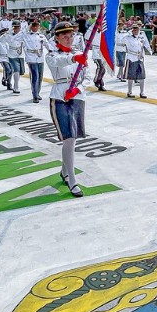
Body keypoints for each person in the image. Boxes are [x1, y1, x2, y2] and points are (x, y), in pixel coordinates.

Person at [46, 21, 88, 198]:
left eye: (70, 35)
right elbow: (57, 62)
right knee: (68, 138)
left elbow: (88, 77)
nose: (68, 38)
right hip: (60, 97)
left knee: (73, 138)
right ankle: (72, 179)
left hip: (77, 96)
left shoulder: (79, 53)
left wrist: (78, 88)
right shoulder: (51, 54)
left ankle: (64, 171)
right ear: (57, 38)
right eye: (64, 35)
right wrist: (73, 58)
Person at [23, 20, 52, 103]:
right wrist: (28, 27)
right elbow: (20, 34)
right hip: (31, 57)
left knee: (40, 76)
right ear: (31, 27)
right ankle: (34, 95)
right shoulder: (26, 36)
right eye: (34, 26)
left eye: (37, 26)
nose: (35, 27)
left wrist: (51, 51)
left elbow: (47, 44)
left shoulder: (41, 36)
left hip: (40, 57)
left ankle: (37, 93)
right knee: (34, 76)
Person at [124, 23, 152, 98]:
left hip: (140, 58)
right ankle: (129, 92)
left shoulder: (141, 36)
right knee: (131, 76)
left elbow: (146, 43)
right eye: (134, 29)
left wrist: (150, 51)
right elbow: (121, 40)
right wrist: (129, 32)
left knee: (142, 76)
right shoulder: (127, 37)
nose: (136, 31)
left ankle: (142, 92)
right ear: (131, 30)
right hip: (131, 58)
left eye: (137, 29)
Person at [6, 21, 26, 93]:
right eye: (15, 27)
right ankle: (16, 87)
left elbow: (25, 44)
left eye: (18, 27)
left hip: (20, 54)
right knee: (16, 70)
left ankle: (11, 82)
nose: (16, 29)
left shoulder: (22, 34)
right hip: (12, 54)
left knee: (20, 71)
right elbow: (10, 41)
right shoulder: (9, 34)